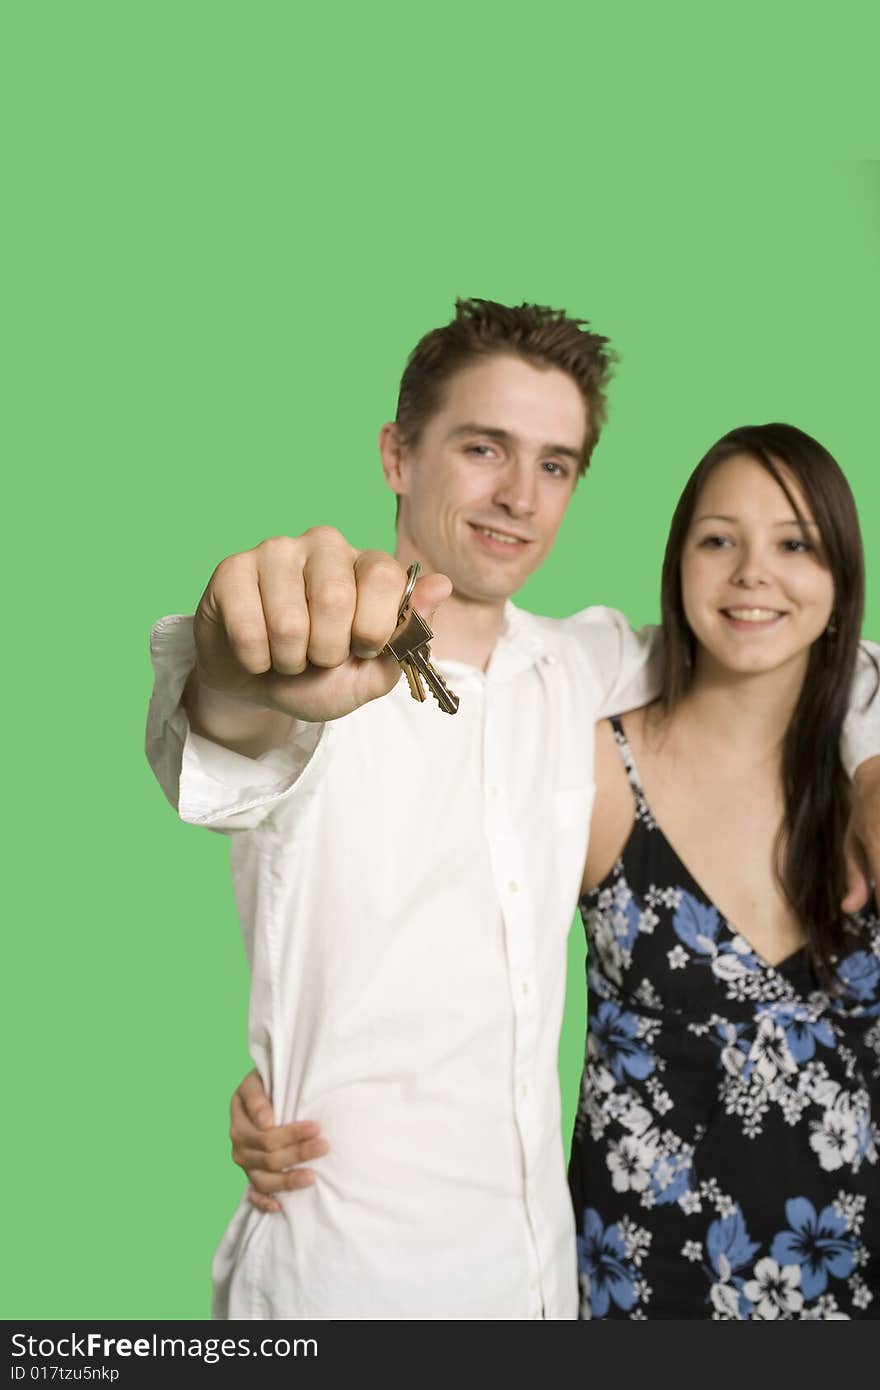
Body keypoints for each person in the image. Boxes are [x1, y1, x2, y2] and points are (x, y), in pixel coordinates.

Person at [146, 300, 880, 1319]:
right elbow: (227, 709)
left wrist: (870, 762)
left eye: (554, 464)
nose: (517, 497)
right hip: (340, 1276)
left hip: (539, 1281)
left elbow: (789, 640)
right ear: (397, 454)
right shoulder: (320, 660)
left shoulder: (586, 667)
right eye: (483, 447)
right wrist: (242, 649)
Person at [570, 425, 879, 1318]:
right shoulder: (596, 770)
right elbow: (461, 967)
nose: (753, 573)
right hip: (646, 1291)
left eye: (794, 544)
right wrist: (332, 1084)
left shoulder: (865, 781)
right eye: (719, 540)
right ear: (677, 564)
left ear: (840, 577)